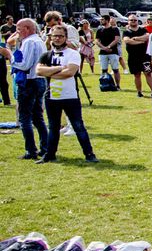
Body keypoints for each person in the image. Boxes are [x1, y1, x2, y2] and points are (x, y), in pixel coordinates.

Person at [35, 24, 97, 164]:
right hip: (51, 97)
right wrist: (58, 69)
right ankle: (50, 155)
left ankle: (89, 154)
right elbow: (38, 71)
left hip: (70, 96)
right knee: (53, 127)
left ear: (66, 38)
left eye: (60, 36)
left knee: (78, 126)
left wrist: (50, 72)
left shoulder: (73, 53)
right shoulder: (46, 55)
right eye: (54, 36)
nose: (57, 39)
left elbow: (70, 72)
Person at [4, 19, 48, 159]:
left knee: (25, 117)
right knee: (37, 117)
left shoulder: (30, 42)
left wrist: (9, 55)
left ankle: (31, 150)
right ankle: (45, 147)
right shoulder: (39, 41)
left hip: (30, 81)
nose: (17, 32)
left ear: (27, 29)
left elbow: (24, 65)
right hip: (39, 80)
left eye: (19, 28)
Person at [121, 14, 152, 97]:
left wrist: (135, 38)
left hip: (145, 56)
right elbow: (127, 41)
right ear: (128, 21)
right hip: (133, 57)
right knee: (137, 75)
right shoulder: (126, 31)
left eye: (135, 20)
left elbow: (147, 37)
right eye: (131, 20)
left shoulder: (142, 29)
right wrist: (140, 41)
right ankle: (139, 92)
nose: (133, 21)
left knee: (148, 73)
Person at [95, 16, 122, 88]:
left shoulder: (114, 29)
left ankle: (118, 85)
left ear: (107, 20)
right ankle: (104, 85)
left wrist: (109, 47)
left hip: (113, 52)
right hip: (103, 53)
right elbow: (97, 41)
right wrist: (104, 48)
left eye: (102, 19)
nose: (101, 21)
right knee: (104, 70)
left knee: (115, 69)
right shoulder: (99, 30)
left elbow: (116, 39)